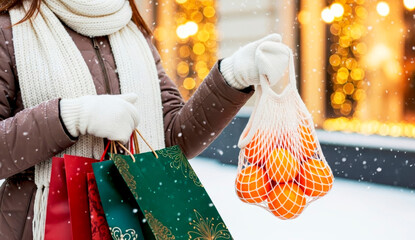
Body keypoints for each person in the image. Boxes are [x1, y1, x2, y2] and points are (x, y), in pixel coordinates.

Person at [0, 0, 290, 239]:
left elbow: (174, 138)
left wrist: (232, 76)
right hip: (37, 226)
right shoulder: (9, 30)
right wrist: (70, 117)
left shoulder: (132, 30)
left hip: (134, 221)